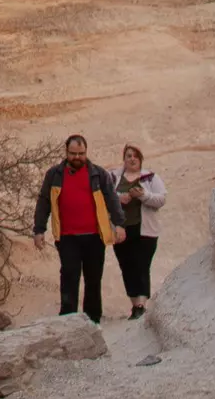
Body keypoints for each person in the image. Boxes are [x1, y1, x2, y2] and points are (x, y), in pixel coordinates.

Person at [31, 133, 126, 324]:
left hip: (94, 236)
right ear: (66, 152)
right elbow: (44, 202)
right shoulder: (54, 175)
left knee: (93, 279)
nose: (77, 158)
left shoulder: (99, 174)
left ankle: (93, 321)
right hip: (67, 237)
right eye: (73, 153)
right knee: (69, 276)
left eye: (81, 153)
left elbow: (112, 200)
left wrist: (119, 224)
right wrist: (39, 229)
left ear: (86, 152)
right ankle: (68, 320)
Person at [112, 143, 166, 318]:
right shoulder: (114, 177)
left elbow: (161, 199)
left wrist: (142, 195)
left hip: (146, 230)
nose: (132, 159)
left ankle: (141, 305)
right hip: (121, 229)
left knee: (142, 265)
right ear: (124, 159)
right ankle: (135, 305)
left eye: (135, 156)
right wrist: (120, 198)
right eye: (129, 156)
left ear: (141, 159)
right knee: (127, 266)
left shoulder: (150, 178)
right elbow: (104, 197)